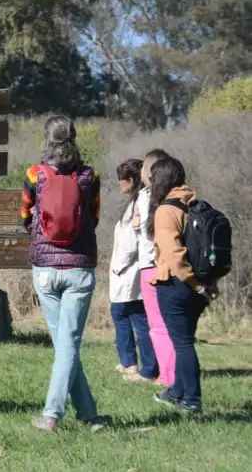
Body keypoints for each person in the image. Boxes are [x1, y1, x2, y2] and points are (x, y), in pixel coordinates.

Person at [21, 116, 111, 432]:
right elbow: (95, 217)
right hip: (79, 268)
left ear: (46, 139)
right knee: (68, 344)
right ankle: (84, 415)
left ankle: (55, 415)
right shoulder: (91, 175)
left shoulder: (35, 173)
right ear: (74, 137)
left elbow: (24, 215)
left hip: (44, 268)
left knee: (64, 345)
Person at [148, 156, 217, 413]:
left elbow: (173, 253)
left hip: (177, 284)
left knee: (182, 343)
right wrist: (206, 284)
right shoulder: (196, 205)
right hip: (199, 285)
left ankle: (191, 399)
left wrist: (192, 283)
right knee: (184, 338)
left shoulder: (167, 210)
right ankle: (176, 391)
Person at [109, 159, 157, 383]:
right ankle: (128, 361)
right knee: (122, 314)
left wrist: (119, 265)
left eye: (122, 180)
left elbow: (130, 242)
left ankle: (146, 366)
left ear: (130, 181)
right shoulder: (133, 203)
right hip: (126, 270)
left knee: (137, 317)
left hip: (129, 269)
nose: (119, 184)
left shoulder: (140, 203)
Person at [135, 149, 174, 388]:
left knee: (158, 325)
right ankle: (173, 371)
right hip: (171, 262)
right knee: (173, 324)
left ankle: (166, 375)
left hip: (150, 264)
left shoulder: (146, 195)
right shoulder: (176, 195)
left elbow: (142, 231)